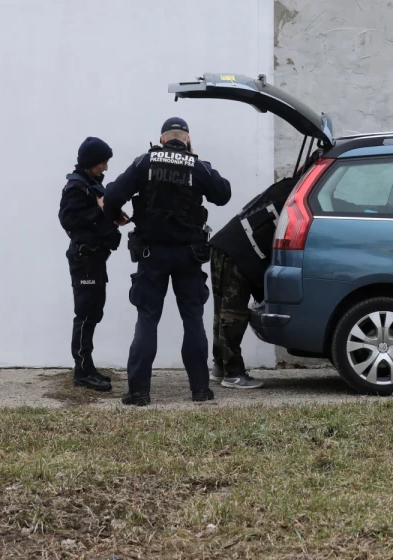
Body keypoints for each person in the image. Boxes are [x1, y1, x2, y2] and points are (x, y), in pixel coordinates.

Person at [104, 117, 231, 406]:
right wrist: (198, 166)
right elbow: (223, 194)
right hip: (188, 255)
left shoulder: (144, 163)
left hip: (152, 255)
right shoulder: (197, 165)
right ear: (187, 139)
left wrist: (114, 215)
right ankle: (200, 390)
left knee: (147, 319)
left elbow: (112, 194)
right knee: (192, 319)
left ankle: (139, 393)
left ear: (161, 139)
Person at [207, 149, 322, 389]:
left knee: (223, 312)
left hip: (225, 247)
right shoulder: (297, 195)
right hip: (237, 253)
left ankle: (221, 365)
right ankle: (233, 373)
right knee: (233, 315)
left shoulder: (288, 187)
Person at [59, 137, 125, 392]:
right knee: (86, 313)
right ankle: (82, 371)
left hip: (95, 259)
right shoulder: (76, 186)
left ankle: (87, 367)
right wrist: (99, 211)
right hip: (84, 259)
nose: (106, 168)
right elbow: (68, 219)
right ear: (90, 162)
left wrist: (114, 217)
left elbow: (97, 215)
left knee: (93, 312)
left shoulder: (91, 184)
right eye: (102, 163)